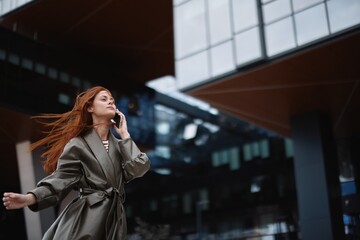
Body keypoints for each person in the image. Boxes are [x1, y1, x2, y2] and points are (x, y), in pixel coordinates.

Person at [2, 86, 151, 240]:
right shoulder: (78, 144)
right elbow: (61, 179)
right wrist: (30, 198)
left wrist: (125, 135)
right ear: (90, 107)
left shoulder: (122, 146)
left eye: (112, 100)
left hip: (114, 219)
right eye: (104, 99)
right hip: (87, 217)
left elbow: (139, 168)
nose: (111, 103)